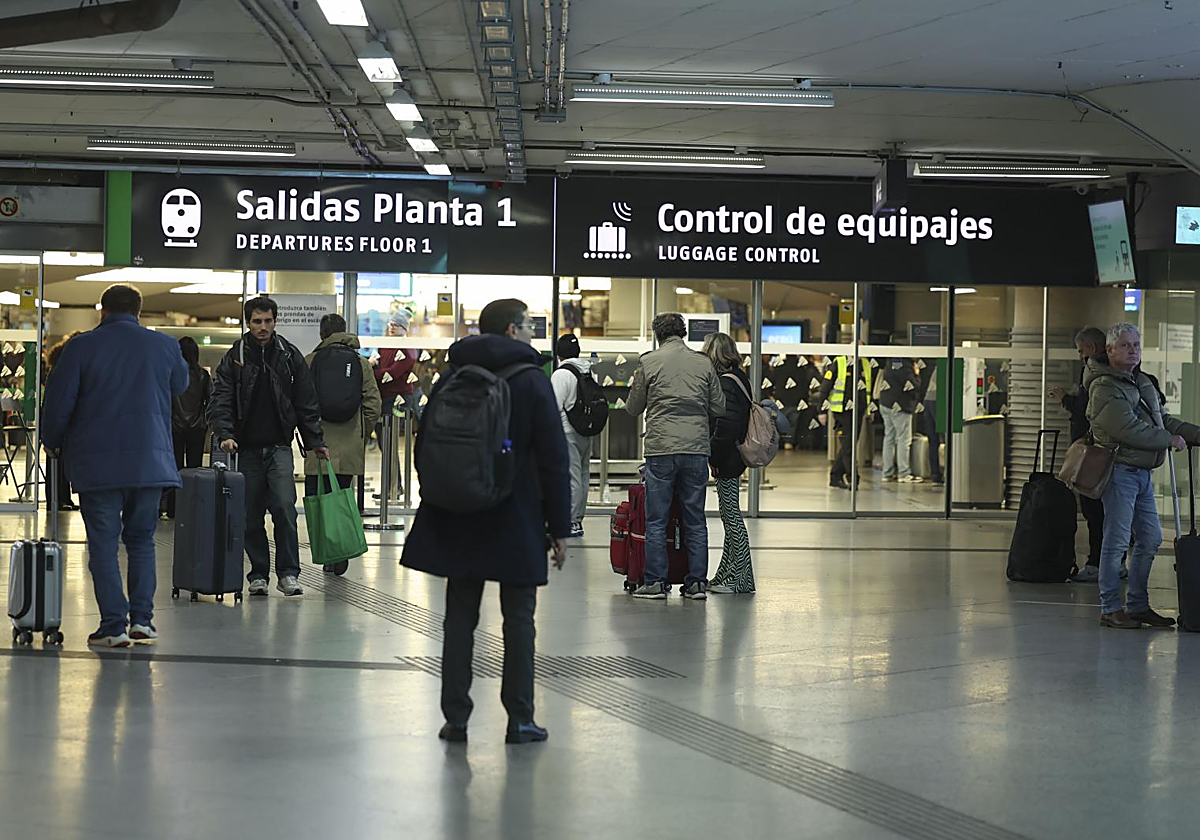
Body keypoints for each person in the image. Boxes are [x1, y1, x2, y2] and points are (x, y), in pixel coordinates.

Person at [401, 298, 569, 744]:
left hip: (458, 512)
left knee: (459, 617)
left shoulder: (454, 374)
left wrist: (441, 494)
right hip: (516, 516)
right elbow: (554, 460)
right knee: (519, 620)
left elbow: (427, 444)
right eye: (529, 325)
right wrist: (560, 528)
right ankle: (520, 720)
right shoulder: (532, 380)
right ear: (513, 330)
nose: (533, 332)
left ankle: (455, 719)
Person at [41, 284, 189, 647]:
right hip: (149, 462)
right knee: (141, 542)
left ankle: (113, 625)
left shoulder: (81, 347)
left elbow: (59, 403)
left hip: (98, 463)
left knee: (103, 546)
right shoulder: (165, 345)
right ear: (138, 311)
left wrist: (53, 442)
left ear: (101, 311)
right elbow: (181, 384)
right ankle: (142, 620)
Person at [208, 296, 328, 598]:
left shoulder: (288, 355)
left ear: (275, 321)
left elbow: (305, 400)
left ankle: (288, 573)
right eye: (257, 321)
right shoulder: (235, 356)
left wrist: (315, 441)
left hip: (279, 448)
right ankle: (258, 573)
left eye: (268, 321)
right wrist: (225, 432)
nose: (263, 327)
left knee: (285, 509)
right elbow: (220, 397)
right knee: (250, 515)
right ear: (248, 323)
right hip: (246, 449)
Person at [1085, 323, 1200, 629]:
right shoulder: (1104, 387)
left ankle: (1137, 605)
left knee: (1150, 538)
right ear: (1109, 350)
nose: (1133, 350)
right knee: (1117, 540)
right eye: (1125, 345)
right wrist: (1167, 440)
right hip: (1119, 470)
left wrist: (1193, 434)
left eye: (1136, 344)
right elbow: (1127, 428)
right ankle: (1110, 608)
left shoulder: (1141, 382)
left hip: (1142, 474)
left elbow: (1163, 420)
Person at [626, 312, 725, 600]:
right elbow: (718, 406)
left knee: (656, 519)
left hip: (661, 449)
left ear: (658, 334)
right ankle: (696, 584)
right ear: (683, 332)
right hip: (696, 449)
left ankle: (655, 582)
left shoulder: (649, 361)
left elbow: (633, 407)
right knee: (695, 519)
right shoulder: (703, 362)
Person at [304, 313, 381, 575]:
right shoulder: (360, 363)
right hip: (349, 444)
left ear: (321, 334)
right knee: (342, 497)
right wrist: (361, 433)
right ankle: (341, 552)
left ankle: (327, 551)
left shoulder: (310, 361)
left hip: (318, 444)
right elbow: (373, 404)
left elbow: (300, 404)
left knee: (319, 499)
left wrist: (309, 434)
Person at [1049, 326, 1107, 582]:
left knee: (1094, 510)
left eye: (1081, 350)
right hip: (1105, 451)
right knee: (1109, 513)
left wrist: (1065, 398)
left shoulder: (1094, 372)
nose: (1079, 355)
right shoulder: (1118, 374)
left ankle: (1097, 563)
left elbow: (1085, 408)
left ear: (1092, 348)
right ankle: (1114, 562)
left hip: (1093, 454)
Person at [702, 332, 755, 594]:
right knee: (728, 515)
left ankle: (742, 580)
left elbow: (726, 426)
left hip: (729, 458)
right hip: (732, 456)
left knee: (732, 518)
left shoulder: (726, 384)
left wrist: (712, 456)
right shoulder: (739, 378)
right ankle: (726, 573)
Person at [162, 336, 213, 519]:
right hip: (197, 428)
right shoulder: (202, 375)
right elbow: (211, 400)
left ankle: (174, 509)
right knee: (194, 470)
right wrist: (205, 421)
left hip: (174, 427)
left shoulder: (170, 374)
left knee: (174, 469)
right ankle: (192, 508)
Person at [371, 307, 419, 496]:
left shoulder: (407, 349)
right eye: (391, 324)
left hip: (397, 400)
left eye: (397, 325)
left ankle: (394, 487)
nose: (392, 328)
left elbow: (391, 374)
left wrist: (370, 371)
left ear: (405, 328)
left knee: (389, 444)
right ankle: (393, 486)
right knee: (385, 445)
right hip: (384, 399)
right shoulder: (385, 344)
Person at [550, 333, 593, 537]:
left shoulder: (561, 374)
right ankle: (578, 520)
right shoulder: (586, 370)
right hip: (585, 431)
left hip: (568, 431)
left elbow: (554, 406)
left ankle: (571, 522)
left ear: (558, 354)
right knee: (583, 476)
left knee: (572, 477)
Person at [43, 330, 85, 511]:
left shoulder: (58, 363)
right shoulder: (67, 366)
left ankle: (61, 498)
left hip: (58, 418)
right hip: (66, 419)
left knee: (57, 461)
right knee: (59, 460)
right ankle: (59, 499)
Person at [819, 345, 872, 490]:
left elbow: (867, 388)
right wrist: (821, 411)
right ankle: (853, 478)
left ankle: (835, 476)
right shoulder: (839, 362)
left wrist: (868, 409)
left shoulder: (865, 364)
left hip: (858, 411)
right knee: (848, 445)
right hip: (842, 411)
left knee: (849, 445)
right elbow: (825, 387)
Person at [878, 351, 921, 483]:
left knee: (889, 438)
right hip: (900, 406)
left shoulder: (892, 361)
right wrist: (917, 374)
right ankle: (903, 473)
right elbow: (914, 385)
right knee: (904, 439)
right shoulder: (906, 365)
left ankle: (887, 472)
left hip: (885, 403)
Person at [918, 361, 944, 485]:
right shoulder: (951, 364)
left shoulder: (938, 366)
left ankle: (935, 476)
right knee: (949, 439)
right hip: (939, 401)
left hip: (928, 401)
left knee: (933, 441)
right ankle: (950, 474)